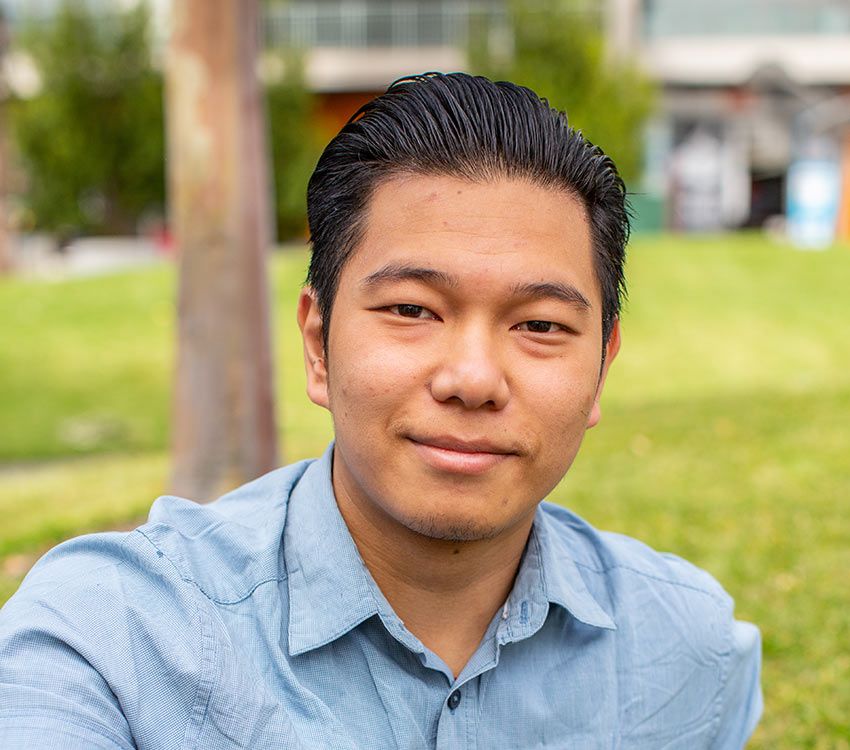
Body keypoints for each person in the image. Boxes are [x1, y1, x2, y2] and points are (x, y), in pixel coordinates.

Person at [0, 73, 762, 748]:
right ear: (318, 344)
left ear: (600, 370)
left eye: (539, 324)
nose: (473, 379)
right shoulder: (113, 637)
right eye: (411, 309)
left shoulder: (686, 651)